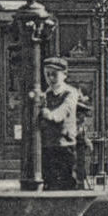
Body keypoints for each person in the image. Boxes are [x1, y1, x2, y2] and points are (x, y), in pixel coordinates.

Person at [36, 56, 79, 191]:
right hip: (47, 144)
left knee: (65, 181)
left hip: (64, 145)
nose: (50, 78)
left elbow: (62, 112)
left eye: (54, 74)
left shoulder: (70, 92)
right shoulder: (46, 94)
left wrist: (48, 113)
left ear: (64, 75)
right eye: (47, 74)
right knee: (49, 181)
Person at [74, 96, 93, 190]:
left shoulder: (81, 125)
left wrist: (87, 141)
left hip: (81, 150)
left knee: (82, 166)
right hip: (76, 149)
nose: (85, 117)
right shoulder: (74, 124)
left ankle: (83, 184)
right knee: (78, 166)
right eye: (83, 114)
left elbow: (83, 135)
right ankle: (79, 184)